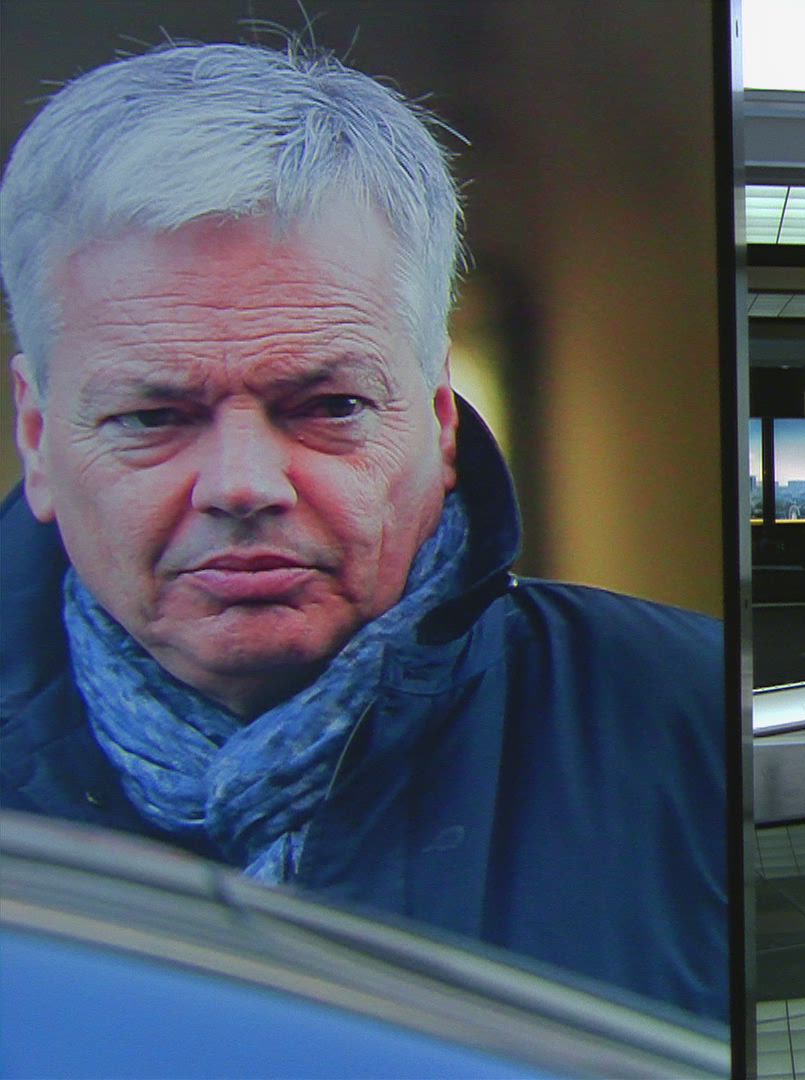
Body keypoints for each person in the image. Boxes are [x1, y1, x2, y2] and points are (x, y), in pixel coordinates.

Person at [0, 42, 725, 1023]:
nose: (244, 485)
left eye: (330, 405)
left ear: (439, 419)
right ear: (37, 437)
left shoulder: (691, 722)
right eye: (152, 417)